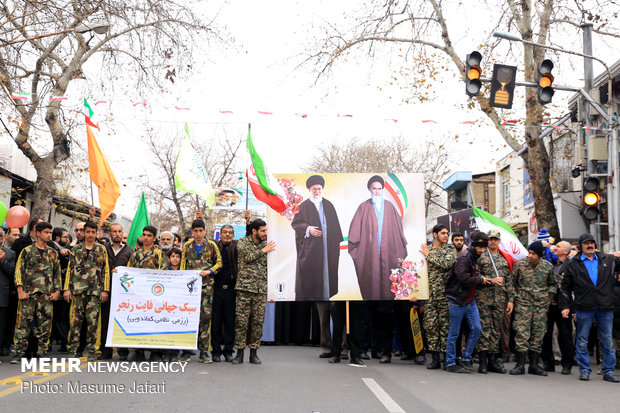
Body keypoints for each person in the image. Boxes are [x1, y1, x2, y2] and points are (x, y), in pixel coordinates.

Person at [559, 233, 620, 382]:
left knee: (607, 340)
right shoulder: (573, 264)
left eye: (592, 242)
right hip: (584, 307)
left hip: (605, 306)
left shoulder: (609, 260)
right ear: (580, 247)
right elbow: (564, 287)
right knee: (582, 339)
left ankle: (608, 371)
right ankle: (584, 370)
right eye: (586, 243)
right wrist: (566, 306)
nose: (590, 245)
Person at [444, 231, 499, 373]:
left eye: (484, 247)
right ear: (474, 244)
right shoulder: (464, 257)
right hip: (458, 300)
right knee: (454, 334)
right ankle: (450, 363)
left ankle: (466, 358)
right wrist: (481, 280)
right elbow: (463, 278)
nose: (482, 250)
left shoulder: (473, 256)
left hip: (469, 300)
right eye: (480, 247)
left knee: (477, 329)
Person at [348, 175, 408, 300]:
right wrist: (357, 250)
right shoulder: (363, 207)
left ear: (382, 190)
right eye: (374, 189)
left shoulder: (390, 206)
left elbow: (398, 230)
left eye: (379, 189)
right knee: (372, 281)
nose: (377, 191)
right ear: (370, 189)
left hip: (389, 252)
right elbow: (354, 233)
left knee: (389, 280)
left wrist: (400, 246)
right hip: (370, 254)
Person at [10, 222, 62, 363]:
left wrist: (57, 291)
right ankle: (19, 353)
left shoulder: (53, 253)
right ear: (38, 233)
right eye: (46, 232)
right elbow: (18, 271)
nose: (49, 235)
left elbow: (57, 274)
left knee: (44, 325)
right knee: (23, 324)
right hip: (28, 294)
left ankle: (41, 352)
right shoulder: (27, 251)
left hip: (46, 294)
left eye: (50, 233)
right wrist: (20, 290)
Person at [63, 221, 110, 361]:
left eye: (92, 232)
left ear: (97, 233)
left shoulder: (102, 249)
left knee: (93, 323)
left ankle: (91, 350)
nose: (90, 235)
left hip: (95, 292)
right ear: (83, 232)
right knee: (75, 322)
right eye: (87, 232)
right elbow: (70, 271)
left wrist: (105, 290)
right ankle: (72, 350)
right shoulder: (76, 249)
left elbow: (105, 271)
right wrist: (66, 289)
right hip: (77, 291)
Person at [291, 175, 343, 300]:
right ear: (309, 189)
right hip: (311, 249)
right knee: (311, 276)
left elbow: (336, 227)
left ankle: (325, 295)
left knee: (327, 271)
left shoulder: (328, 205)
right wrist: (308, 229)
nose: (317, 192)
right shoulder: (303, 206)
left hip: (328, 248)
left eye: (319, 189)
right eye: (314, 189)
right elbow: (296, 223)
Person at [509, 241, 556, 376]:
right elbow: (512, 284)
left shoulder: (547, 267)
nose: (530, 256)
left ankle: (534, 365)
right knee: (521, 334)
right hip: (523, 304)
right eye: (529, 252)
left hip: (540, 307)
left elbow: (552, 284)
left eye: (533, 253)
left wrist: (547, 299)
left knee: (538, 335)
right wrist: (513, 300)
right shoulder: (520, 265)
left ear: (539, 255)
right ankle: (520, 365)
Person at [232, 219, 275, 365]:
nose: (265, 233)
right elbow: (247, 257)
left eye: (266, 230)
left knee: (257, 322)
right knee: (241, 322)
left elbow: (274, 269)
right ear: (254, 231)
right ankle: (239, 353)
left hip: (260, 290)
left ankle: (254, 353)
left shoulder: (267, 245)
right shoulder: (243, 242)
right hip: (244, 288)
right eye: (262, 231)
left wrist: (273, 292)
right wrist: (264, 250)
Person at [180, 219, 222, 363]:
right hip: (189, 287)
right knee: (187, 316)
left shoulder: (211, 245)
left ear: (205, 231)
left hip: (207, 287)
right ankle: (185, 351)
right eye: (195, 231)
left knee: (205, 318)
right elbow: (182, 263)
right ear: (192, 232)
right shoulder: (187, 245)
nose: (198, 234)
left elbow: (219, 263)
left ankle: (204, 352)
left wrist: (209, 271)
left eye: (200, 231)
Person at [475, 229, 515, 374]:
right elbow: (476, 276)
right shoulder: (481, 257)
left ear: (499, 241)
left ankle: (492, 361)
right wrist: (491, 280)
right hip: (484, 299)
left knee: (496, 331)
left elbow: (508, 281)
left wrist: (511, 300)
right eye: (490, 239)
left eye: (495, 239)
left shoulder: (503, 259)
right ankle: (483, 362)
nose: (493, 241)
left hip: (499, 300)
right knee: (484, 330)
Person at [419, 224, 455, 370]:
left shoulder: (450, 249)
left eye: (447, 233)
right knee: (431, 327)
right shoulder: (425, 249)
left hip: (445, 295)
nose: (446, 236)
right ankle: (435, 359)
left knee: (445, 327)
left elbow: (447, 264)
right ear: (435, 234)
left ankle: (447, 358)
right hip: (430, 295)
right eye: (443, 233)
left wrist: (429, 255)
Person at [127, 225, 163, 362]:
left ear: (154, 238)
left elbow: (163, 274)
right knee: (139, 322)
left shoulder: (159, 254)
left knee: (154, 322)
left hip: (153, 295)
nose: (146, 237)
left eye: (149, 235)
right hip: (138, 295)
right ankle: (139, 350)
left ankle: (155, 352)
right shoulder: (135, 255)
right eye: (144, 235)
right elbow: (129, 272)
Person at [541, 240, 574, 374]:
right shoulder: (550, 263)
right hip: (549, 303)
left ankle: (567, 364)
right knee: (546, 333)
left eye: (558, 246)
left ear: (566, 251)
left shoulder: (571, 265)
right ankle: (548, 362)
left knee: (565, 335)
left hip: (564, 305)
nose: (555, 248)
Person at [101, 223, 134, 360]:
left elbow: (133, 271)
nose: (117, 234)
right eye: (114, 231)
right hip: (107, 290)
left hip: (123, 292)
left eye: (120, 231)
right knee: (106, 321)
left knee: (122, 321)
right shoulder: (103, 249)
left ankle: (123, 350)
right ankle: (105, 351)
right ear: (110, 234)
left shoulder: (130, 251)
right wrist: (104, 289)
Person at [212, 225, 238, 362]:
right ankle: (215, 352)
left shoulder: (237, 246)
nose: (227, 235)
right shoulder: (214, 246)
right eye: (225, 232)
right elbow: (202, 238)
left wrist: (248, 222)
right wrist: (199, 219)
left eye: (230, 233)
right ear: (220, 234)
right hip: (216, 289)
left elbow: (248, 238)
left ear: (233, 235)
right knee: (215, 323)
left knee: (230, 323)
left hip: (231, 290)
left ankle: (228, 351)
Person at [0, 228, 16, 361]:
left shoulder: (9, 254)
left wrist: (3, 261)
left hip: (2, 295)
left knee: (2, 324)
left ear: (2, 238)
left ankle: (2, 347)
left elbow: (12, 272)